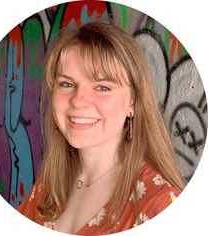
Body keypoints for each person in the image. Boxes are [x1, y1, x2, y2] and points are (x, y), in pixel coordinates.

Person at [17, 22, 184, 235]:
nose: (78, 101)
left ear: (133, 103)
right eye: (67, 84)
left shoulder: (159, 204)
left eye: (102, 87)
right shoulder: (47, 186)